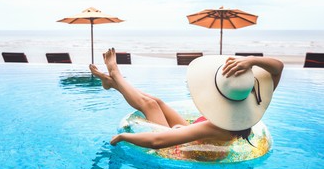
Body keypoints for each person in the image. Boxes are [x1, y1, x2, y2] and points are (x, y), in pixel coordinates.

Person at [89, 48, 283, 149]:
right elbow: (278, 67)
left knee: (150, 105)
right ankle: (113, 83)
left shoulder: (216, 126)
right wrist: (252, 60)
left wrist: (124, 136)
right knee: (158, 101)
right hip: (193, 135)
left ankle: (115, 76)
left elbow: (157, 141)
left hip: (181, 150)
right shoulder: (252, 96)